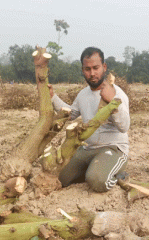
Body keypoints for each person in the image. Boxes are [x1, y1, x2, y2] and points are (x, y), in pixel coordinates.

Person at [50, 47, 130, 192]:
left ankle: (118, 176)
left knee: (98, 181)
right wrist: (52, 97)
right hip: (87, 148)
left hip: (113, 149)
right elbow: (71, 114)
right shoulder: (83, 95)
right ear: (82, 70)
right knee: (60, 177)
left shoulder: (117, 93)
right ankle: (93, 169)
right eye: (87, 69)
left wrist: (112, 102)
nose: (92, 73)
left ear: (104, 67)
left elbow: (124, 126)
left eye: (96, 68)